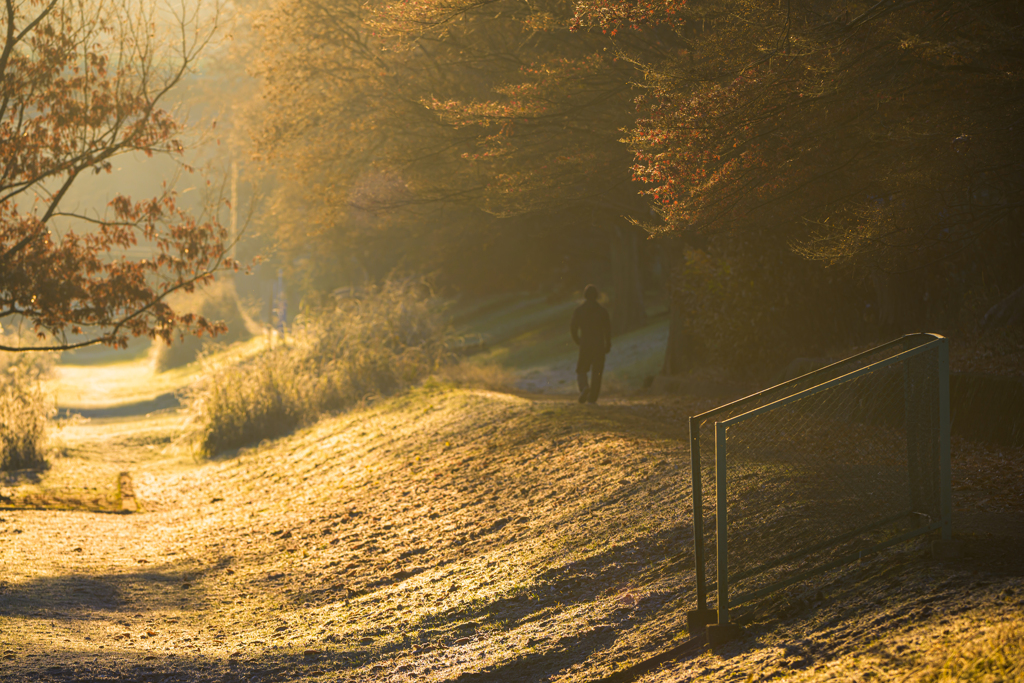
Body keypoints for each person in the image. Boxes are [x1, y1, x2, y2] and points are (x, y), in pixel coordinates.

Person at [570, 284, 612, 404]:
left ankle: (584, 387)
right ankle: (592, 398)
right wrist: (608, 344)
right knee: (597, 371)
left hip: (585, 344)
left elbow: (573, 328)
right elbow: (607, 329)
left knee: (581, 369)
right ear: (596, 296)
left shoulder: (579, 311)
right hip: (598, 344)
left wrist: (578, 340)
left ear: (585, 295)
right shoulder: (602, 311)